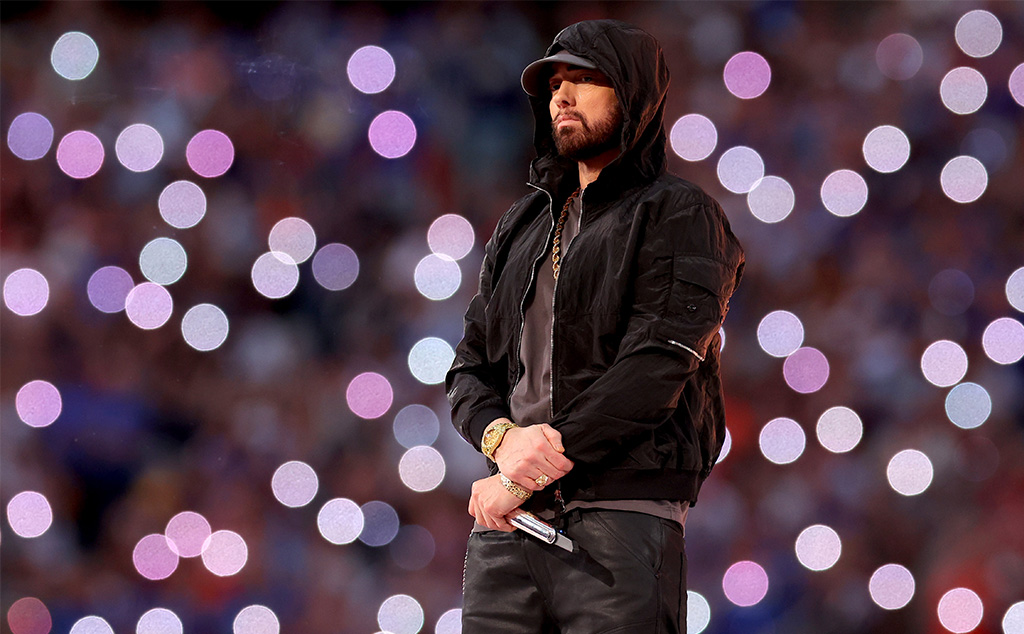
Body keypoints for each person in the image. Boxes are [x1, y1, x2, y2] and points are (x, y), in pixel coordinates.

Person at [446, 19, 744, 633]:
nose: (563, 95)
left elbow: (657, 365)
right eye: (556, 81)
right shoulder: (522, 223)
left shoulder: (679, 212)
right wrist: (502, 441)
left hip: (619, 522)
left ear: (634, 97)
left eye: (585, 80)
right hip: (507, 525)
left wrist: (534, 466)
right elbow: (470, 367)